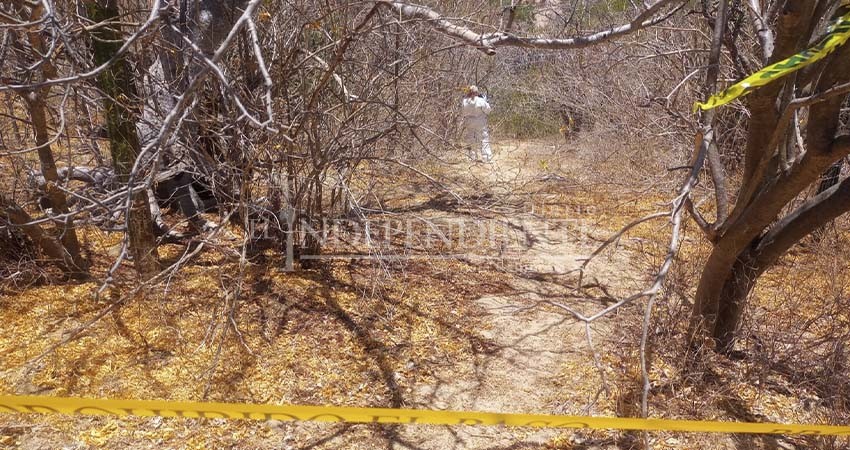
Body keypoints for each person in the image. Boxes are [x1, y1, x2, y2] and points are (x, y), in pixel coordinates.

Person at [461, 85, 493, 162]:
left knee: (471, 139)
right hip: (480, 122)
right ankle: (486, 158)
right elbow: (488, 110)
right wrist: (485, 101)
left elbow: (463, 112)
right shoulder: (480, 100)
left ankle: (472, 157)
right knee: (484, 139)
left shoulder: (465, 101)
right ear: (476, 92)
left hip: (469, 122)